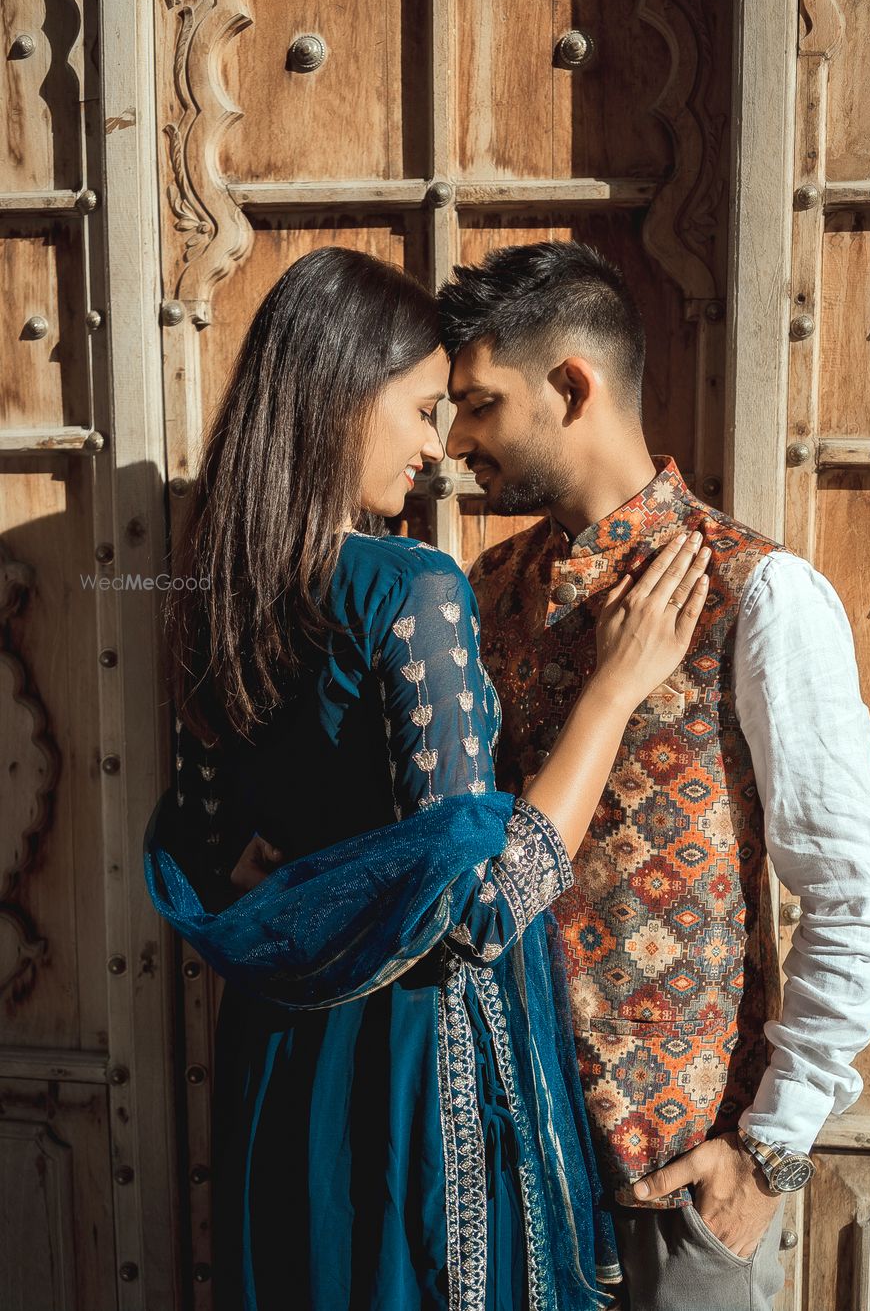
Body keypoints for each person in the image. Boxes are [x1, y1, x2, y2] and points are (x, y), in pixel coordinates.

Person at [143, 246, 712, 1311]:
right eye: (417, 410)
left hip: (277, 1069)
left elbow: (220, 863)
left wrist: (321, 872)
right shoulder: (411, 590)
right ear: (337, 402)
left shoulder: (216, 593)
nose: (436, 449)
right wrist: (614, 688)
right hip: (408, 1071)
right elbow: (480, 910)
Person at [436, 240, 870, 1311]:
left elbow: (857, 902)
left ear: (571, 386)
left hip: (671, 1184)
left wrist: (769, 1155)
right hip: (502, 1167)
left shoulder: (759, 592)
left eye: (477, 404)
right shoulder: (482, 589)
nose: (455, 440)